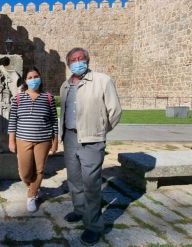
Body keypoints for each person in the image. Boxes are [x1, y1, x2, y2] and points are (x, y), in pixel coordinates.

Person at [60, 47, 121, 246]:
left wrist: (100, 131)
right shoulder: (65, 85)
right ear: (68, 64)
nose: (78, 62)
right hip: (69, 138)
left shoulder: (102, 81)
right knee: (74, 179)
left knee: (91, 184)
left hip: (92, 140)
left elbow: (115, 111)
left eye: (81, 58)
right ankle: (79, 210)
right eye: (74, 59)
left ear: (87, 60)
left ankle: (94, 225)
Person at [8, 67, 58, 213]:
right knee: (24, 172)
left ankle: (31, 195)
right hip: (23, 139)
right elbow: (12, 120)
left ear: (40, 78)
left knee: (39, 169)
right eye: (30, 77)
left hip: (44, 140)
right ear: (25, 81)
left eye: (36, 76)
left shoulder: (48, 97)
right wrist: (11, 141)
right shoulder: (18, 98)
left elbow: (54, 120)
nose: (33, 79)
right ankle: (33, 186)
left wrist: (55, 141)